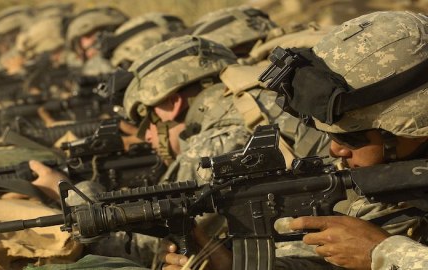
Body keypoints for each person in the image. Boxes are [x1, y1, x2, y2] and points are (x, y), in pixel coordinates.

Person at [163, 10, 428, 270]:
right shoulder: (395, 187)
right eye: (329, 135)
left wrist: (382, 254)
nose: (335, 150)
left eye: (351, 139)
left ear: (412, 124)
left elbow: (377, 252)